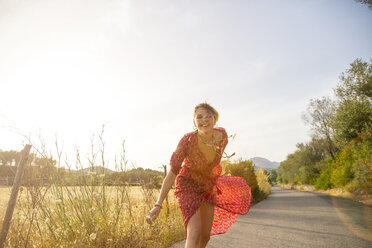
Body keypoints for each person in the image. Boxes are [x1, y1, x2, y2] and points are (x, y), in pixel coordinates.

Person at [146, 103, 252, 248]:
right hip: (187, 185)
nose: (204, 120)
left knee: (205, 236)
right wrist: (158, 204)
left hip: (207, 186)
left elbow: (213, 165)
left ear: (215, 119)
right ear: (194, 122)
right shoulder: (187, 141)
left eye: (209, 116)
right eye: (200, 117)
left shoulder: (222, 136)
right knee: (194, 233)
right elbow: (172, 174)